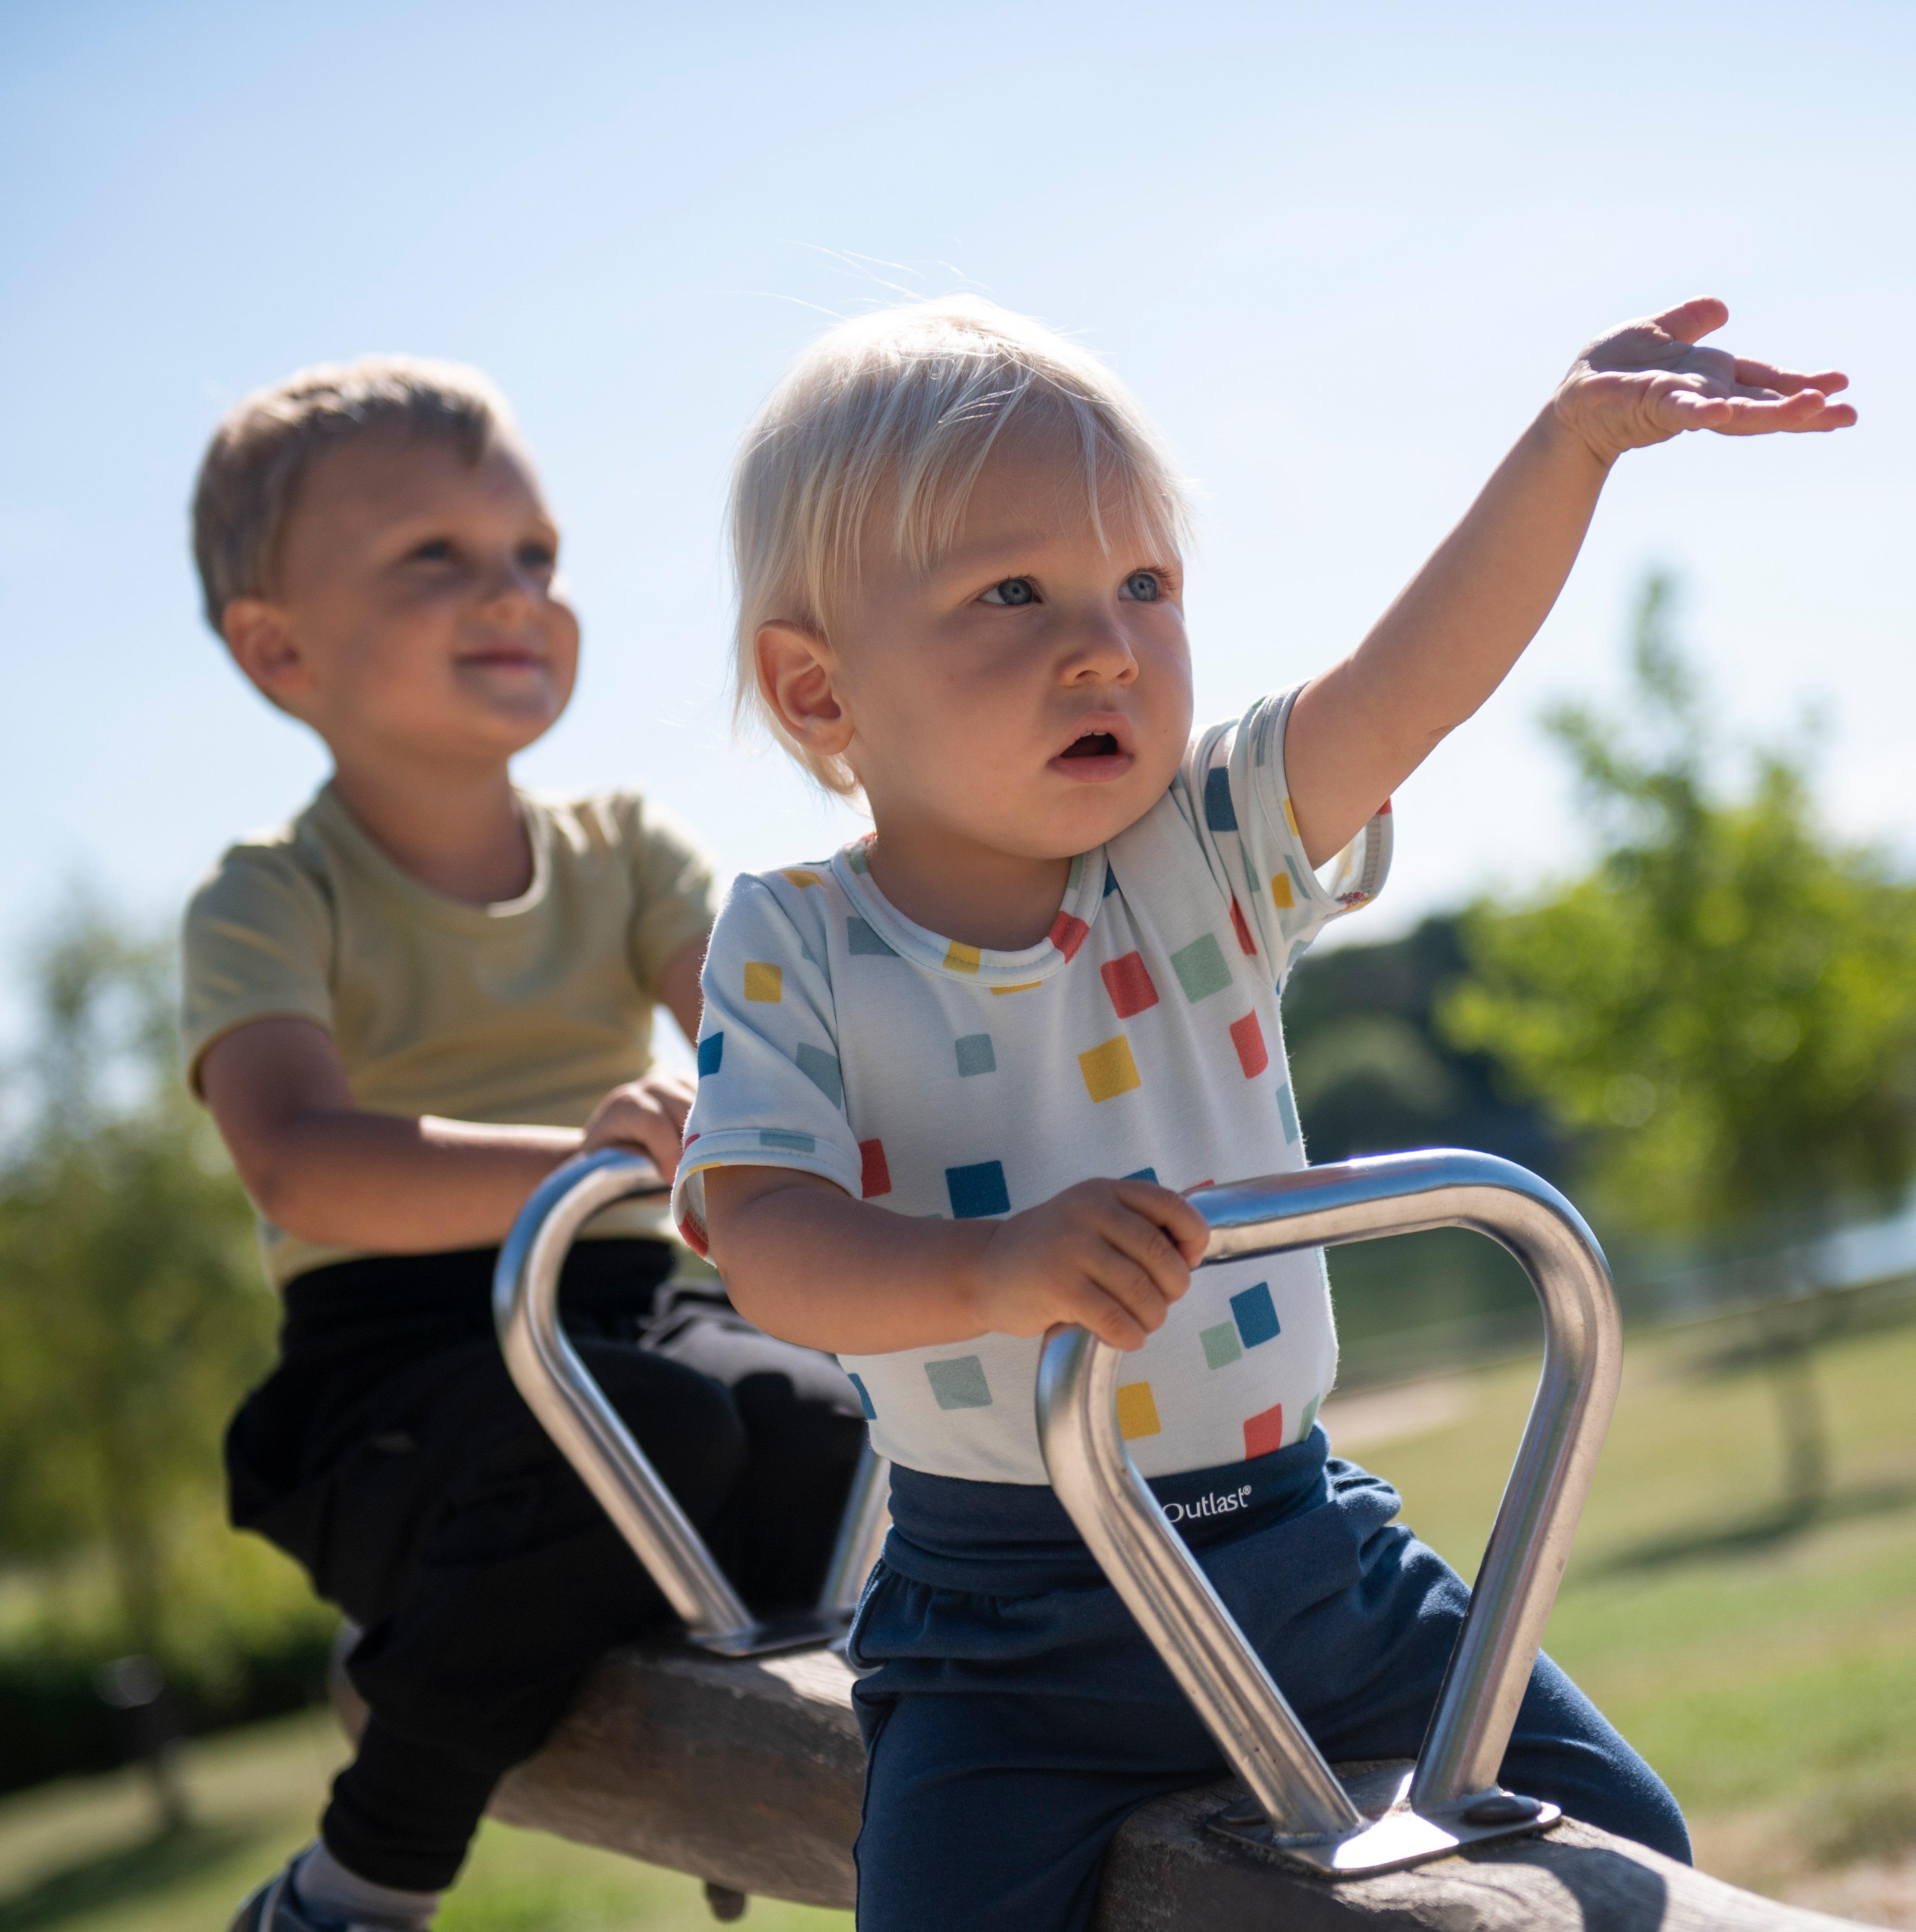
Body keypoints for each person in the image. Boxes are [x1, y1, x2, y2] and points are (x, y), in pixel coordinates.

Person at [678, 294, 1854, 1929]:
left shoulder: (1204, 856)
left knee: (1622, 1842)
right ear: (819, 693)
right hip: (1007, 1626)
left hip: (1305, 1560)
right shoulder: (798, 938)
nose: (1104, 643)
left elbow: (1405, 688)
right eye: (1014, 593)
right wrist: (1000, 1270)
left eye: (1142, 586)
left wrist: (1571, 446)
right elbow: (773, 1249)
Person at [178, 357, 868, 1932]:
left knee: (828, 1414)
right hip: (405, 1365)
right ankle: (358, 1882)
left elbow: (774, 1058)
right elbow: (295, 1155)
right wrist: (591, 1152)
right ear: (280, 647)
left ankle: (811, 1754)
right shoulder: (275, 895)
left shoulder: (621, 851)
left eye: (536, 558)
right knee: (651, 1437)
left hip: (632, 1307)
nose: (516, 596)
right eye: (438, 559)